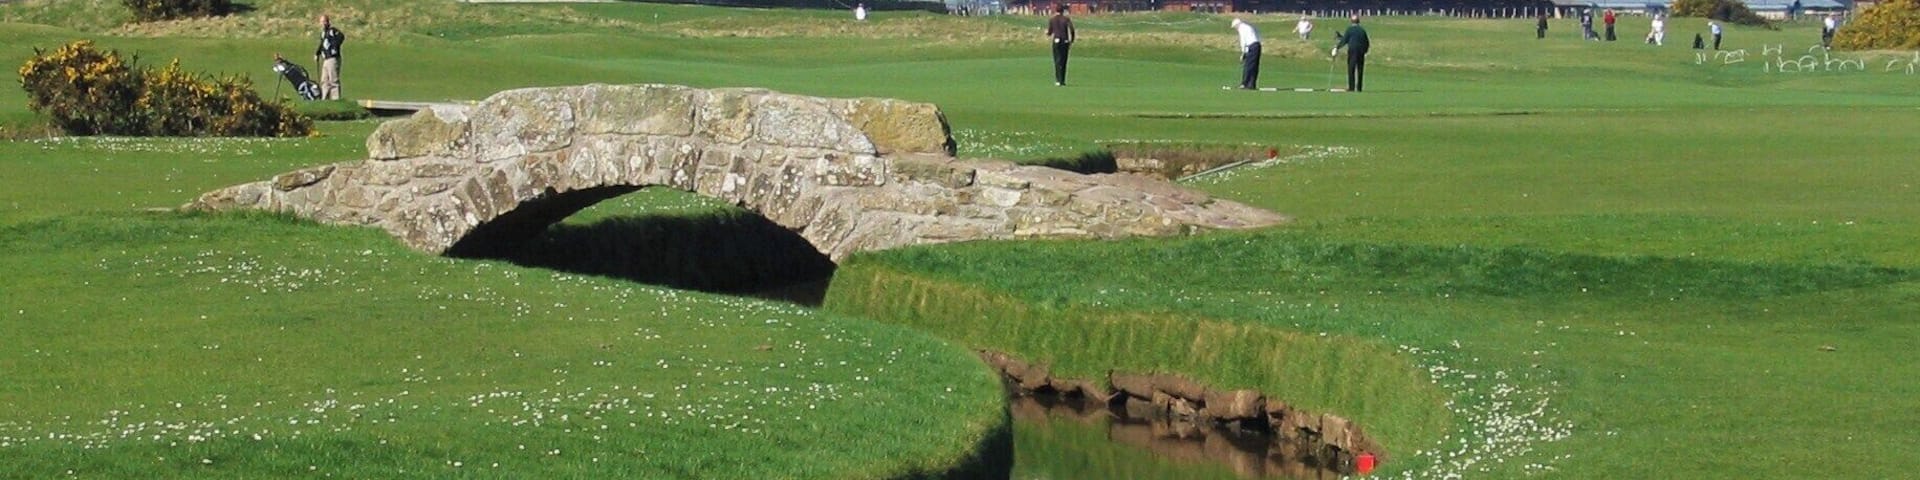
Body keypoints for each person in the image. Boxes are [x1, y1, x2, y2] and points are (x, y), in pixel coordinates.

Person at [1333, 15, 1370, 92]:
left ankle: (1351, 87)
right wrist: (1365, 50)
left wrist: (1337, 47)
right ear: (1358, 21)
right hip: (1361, 51)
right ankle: (1359, 87)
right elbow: (1366, 41)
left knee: (1351, 68)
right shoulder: (1362, 30)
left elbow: (1345, 40)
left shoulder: (1350, 29)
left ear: (1351, 21)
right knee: (1360, 69)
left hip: (1352, 50)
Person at [314, 14, 345, 100]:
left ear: (328, 22)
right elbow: (322, 44)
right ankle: (325, 98)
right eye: (321, 22)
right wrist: (317, 53)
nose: (323, 23)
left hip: (333, 58)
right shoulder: (323, 33)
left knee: (333, 79)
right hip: (326, 59)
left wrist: (334, 46)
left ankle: (335, 98)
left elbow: (341, 37)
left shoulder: (332, 31)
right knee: (324, 80)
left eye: (324, 21)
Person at [1047, 5, 1075, 86]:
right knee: (1064, 61)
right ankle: (1062, 80)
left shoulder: (1052, 19)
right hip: (1065, 41)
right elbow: (1072, 29)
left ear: (1056, 10)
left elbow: (1050, 32)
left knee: (1057, 60)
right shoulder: (1066, 19)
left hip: (1056, 41)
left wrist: (1047, 33)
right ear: (1063, 11)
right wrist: (1071, 40)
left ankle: (1058, 80)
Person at [1232, 18, 1261, 89]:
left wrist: (1243, 53)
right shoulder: (1248, 26)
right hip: (1257, 46)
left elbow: (1243, 41)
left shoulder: (1241, 28)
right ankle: (1251, 84)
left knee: (1248, 66)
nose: (1235, 29)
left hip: (1252, 46)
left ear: (1237, 25)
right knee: (1254, 66)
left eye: (1235, 27)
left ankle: (1244, 84)